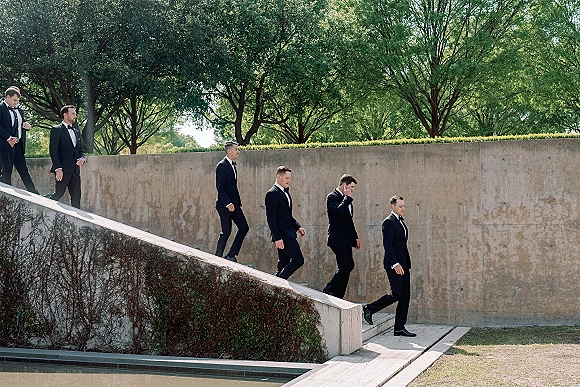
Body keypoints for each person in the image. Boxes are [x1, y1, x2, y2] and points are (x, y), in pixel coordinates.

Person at [362, 195, 416, 337]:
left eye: (404, 206)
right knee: (397, 293)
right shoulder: (389, 222)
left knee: (405, 297)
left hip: (404, 264)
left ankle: (399, 328)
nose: (403, 208)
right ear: (392, 206)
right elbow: (388, 246)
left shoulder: (401, 222)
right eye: (400, 206)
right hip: (395, 265)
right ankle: (369, 308)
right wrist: (395, 264)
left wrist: (404, 264)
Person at [322, 174, 361, 299]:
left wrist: (356, 237)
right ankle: (329, 289)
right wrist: (347, 198)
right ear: (345, 185)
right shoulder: (332, 197)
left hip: (347, 239)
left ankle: (338, 296)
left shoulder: (347, 199)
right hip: (337, 239)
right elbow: (338, 211)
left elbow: (349, 221)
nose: (353, 190)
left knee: (344, 268)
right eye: (351, 187)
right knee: (348, 265)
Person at [265, 166, 306, 280]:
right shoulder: (272, 194)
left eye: (290, 178)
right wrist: (277, 238)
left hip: (288, 232)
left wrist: (298, 227)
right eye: (286, 178)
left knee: (283, 263)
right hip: (283, 236)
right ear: (278, 177)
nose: (289, 180)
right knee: (298, 259)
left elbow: (286, 215)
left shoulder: (285, 193)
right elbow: (271, 218)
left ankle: (274, 286)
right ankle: (278, 284)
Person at [0, 86, 39, 193]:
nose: (16, 102)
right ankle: (7, 193)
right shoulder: (1, 108)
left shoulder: (20, 111)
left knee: (22, 170)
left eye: (18, 100)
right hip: (3, 144)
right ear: (8, 97)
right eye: (15, 100)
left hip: (17, 145)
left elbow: (19, 127)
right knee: (6, 169)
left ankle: (34, 193)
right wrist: (9, 138)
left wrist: (28, 127)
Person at [215, 141, 249, 262]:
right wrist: (228, 203)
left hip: (235, 204)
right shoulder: (222, 165)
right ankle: (217, 258)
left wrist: (234, 203)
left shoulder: (233, 165)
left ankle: (231, 255)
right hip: (224, 205)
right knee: (226, 231)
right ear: (229, 151)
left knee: (244, 227)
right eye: (236, 149)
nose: (238, 151)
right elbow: (220, 187)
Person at [48, 105, 85, 209]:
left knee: (77, 198)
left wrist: (82, 158)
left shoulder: (76, 132)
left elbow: (80, 150)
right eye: (73, 114)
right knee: (58, 194)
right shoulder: (56, 130)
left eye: (75, 114)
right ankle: (42, 203)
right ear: (65, 115)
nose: (75, 116)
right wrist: (58, 168)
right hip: (62, 170)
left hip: (75, 171)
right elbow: (53, 151)